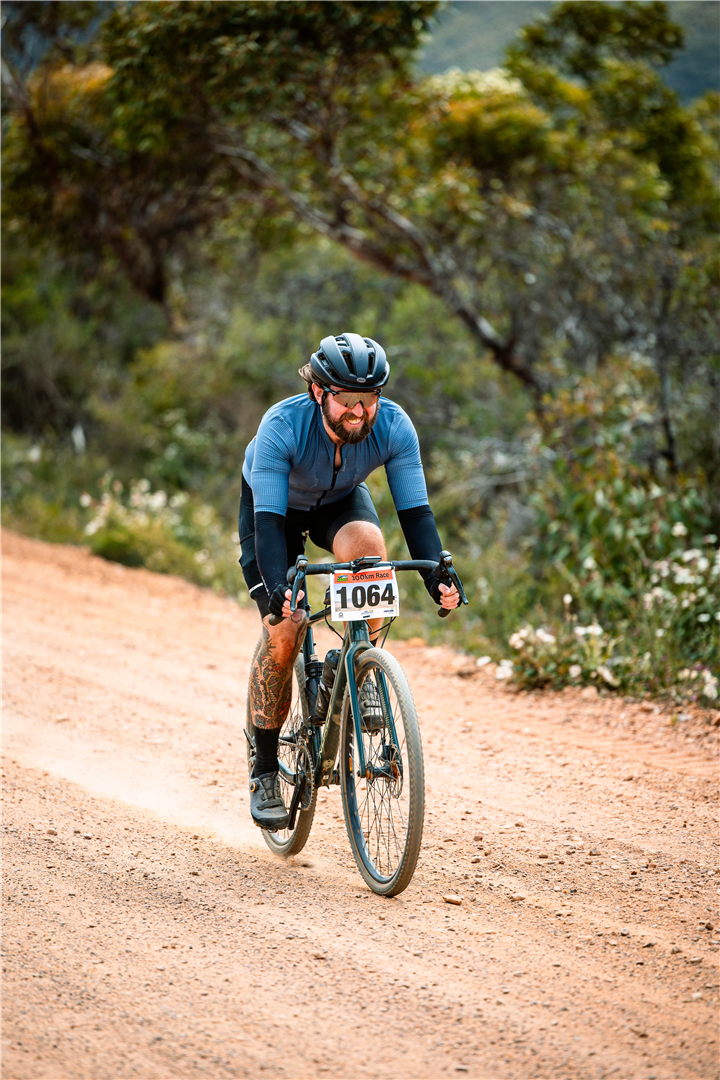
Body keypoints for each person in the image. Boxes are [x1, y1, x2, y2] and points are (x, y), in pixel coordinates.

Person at [239, 332, 459, 830]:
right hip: (274, 511)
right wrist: (280, 589)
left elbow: (416, 513)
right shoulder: (281, 426)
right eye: (346, 400)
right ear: (319, 392)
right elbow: (269, 525)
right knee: (286, 627)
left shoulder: (395, 426)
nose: (359, 412)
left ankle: (360, 664)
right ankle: (266, 768)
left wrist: (435, 575)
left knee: (369, 548)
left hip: (337, 503)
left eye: (369, 398)